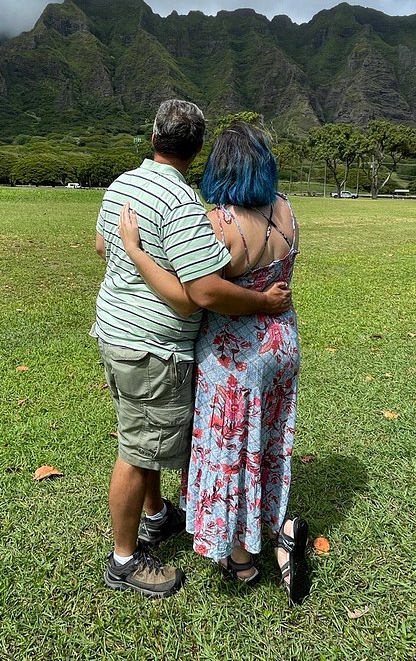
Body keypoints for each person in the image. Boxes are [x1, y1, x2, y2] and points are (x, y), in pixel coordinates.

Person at [93, 101, 293, 600]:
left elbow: (101, 246)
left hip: (115, 332)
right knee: (140, 451)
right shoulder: (186, 206)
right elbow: (200, 295)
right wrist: (263, 301)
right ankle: (123, 560)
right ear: (196, 149)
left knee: (146, 434)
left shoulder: (122, 185)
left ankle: (158, 517)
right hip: (153, 344)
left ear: (153, 136)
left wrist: (132, 255)